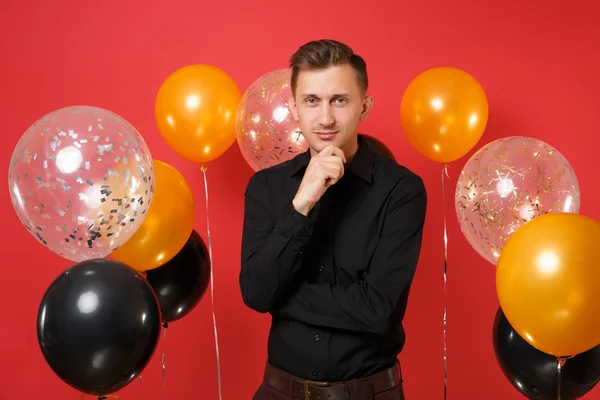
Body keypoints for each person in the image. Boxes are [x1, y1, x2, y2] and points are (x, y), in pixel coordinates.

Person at [239, 39, 427, 400]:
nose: (325, 118)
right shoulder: (266, 187)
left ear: (364, 106)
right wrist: (302, 203)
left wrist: (282, 296)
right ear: (295, 108)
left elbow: (376, 311)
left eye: (339, 100)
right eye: (312, 101)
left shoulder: (402, 190)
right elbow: (255, 292)